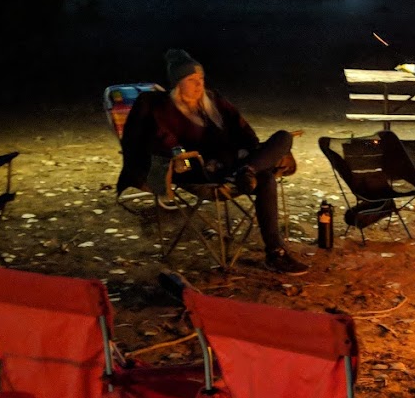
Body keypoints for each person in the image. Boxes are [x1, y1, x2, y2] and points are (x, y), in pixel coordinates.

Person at [117, 49, 307, 274]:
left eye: (201, 79)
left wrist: (250, 153)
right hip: (203, 171)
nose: (199, 85)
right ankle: (276, 252)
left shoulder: (214, 101)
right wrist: (178, 163)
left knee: (283, 137)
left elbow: (246, 133)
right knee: (265, 179)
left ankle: (247, 170)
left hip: (238, 165)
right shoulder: (163, 110)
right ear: (177, 84)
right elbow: (165, 147)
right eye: (191, 80)